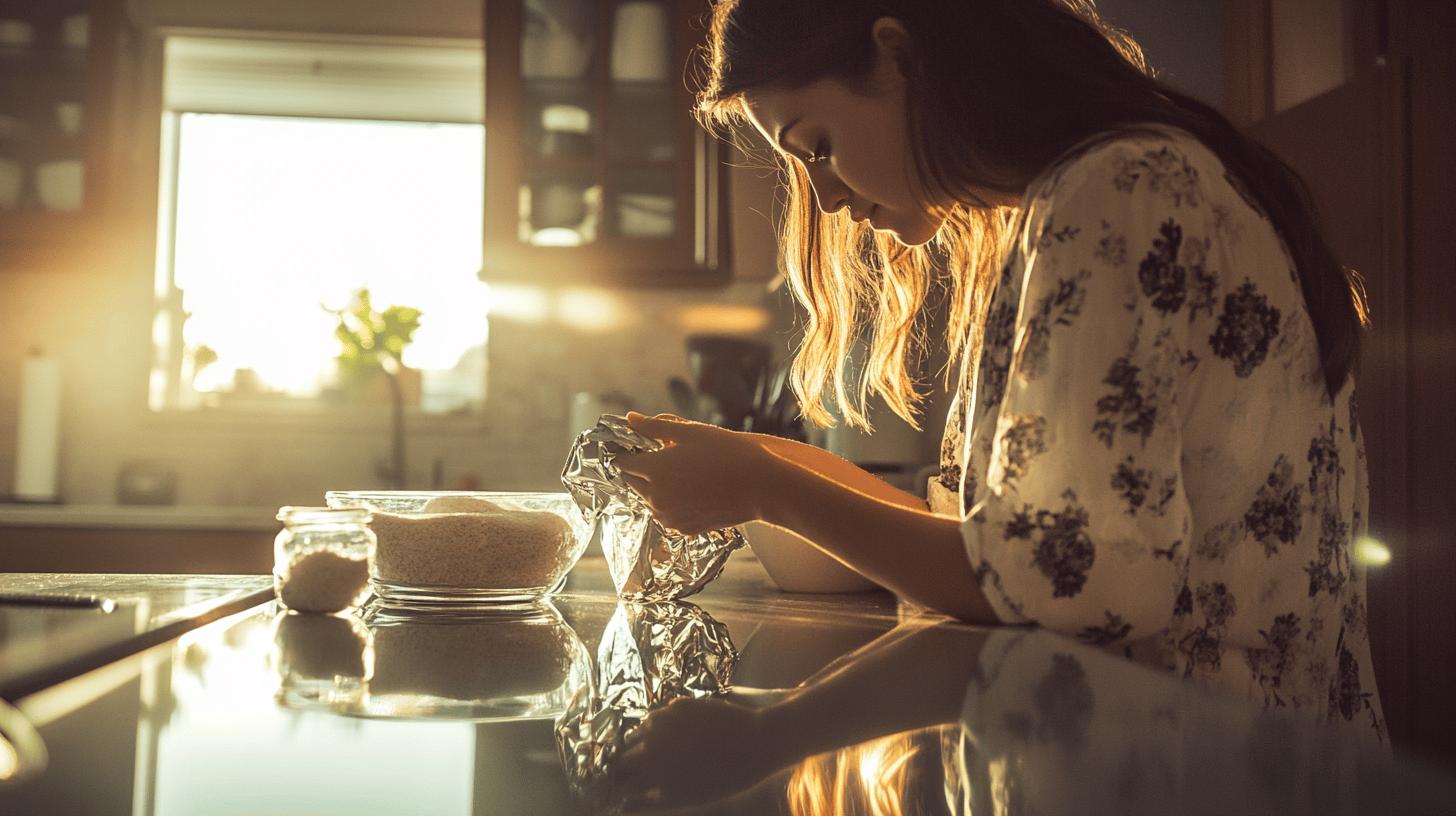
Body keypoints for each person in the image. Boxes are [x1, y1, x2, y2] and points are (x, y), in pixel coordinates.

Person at [614, 0, 1384, 739]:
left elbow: (1065, 585)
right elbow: (1005, 547)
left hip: (1189, 765)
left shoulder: (1116, 192)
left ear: (900, 55)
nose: (827, 196)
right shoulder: (1103, 188)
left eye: (817, 145)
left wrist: (762, 484)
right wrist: (768, 465)